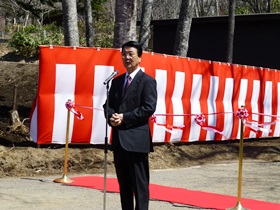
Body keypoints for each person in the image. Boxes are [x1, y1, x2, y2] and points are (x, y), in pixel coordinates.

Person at [103, 41, 157, 210]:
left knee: (140, 187)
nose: (127, 58)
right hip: (119, 141)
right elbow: (108, 105)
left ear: (140, 57)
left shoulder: (147, 81)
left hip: (136, 142)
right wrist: (111, 116)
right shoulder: (117, 81)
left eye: (131, 54)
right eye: (124, 54)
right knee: (124, 186)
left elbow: (148, 108)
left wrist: (124, 117)